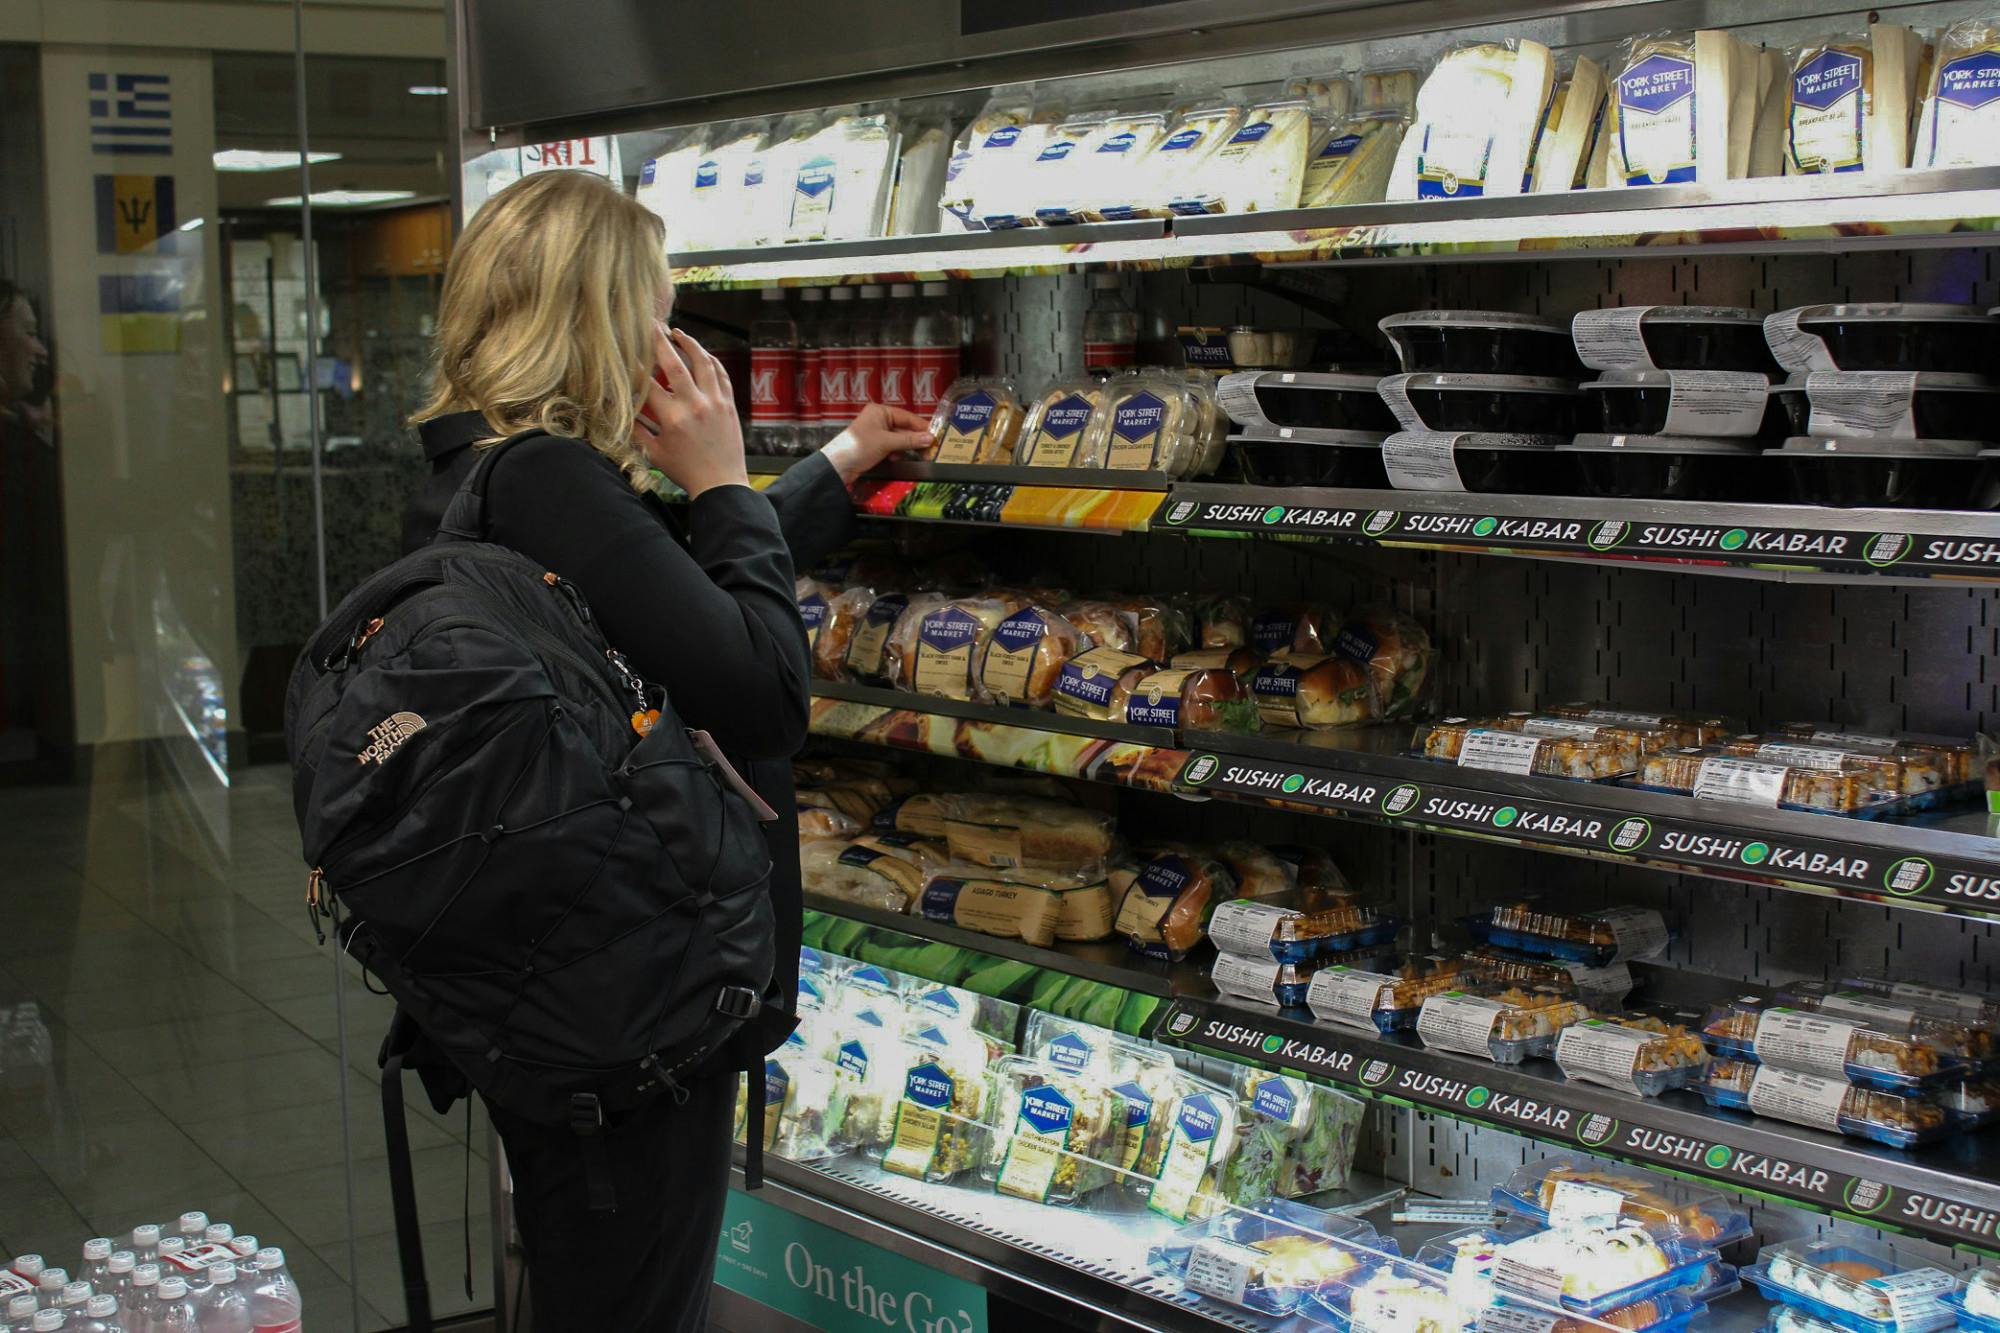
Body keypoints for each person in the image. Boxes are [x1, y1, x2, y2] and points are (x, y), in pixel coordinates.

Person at [399, 169, 929, 1332]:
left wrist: (828, 466)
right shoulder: (545, 478)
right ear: (596, 316)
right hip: (627, 1013)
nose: (668, 335)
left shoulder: (473, 466)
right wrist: (722, 472)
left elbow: (657, 587)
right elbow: (759, 693)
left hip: (553, 989)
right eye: (654, 305)